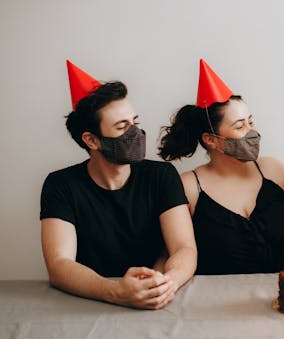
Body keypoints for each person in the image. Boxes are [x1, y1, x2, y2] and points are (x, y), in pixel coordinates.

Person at [40, 60, 197, 309]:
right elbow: (59, 265)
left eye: (135, 121)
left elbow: (184, 248)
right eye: (122, 126)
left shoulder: (162, 176)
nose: (135, 132)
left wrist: (167, 284)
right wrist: (115, 291)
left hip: (158, 300)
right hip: (89, 303)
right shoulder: (61, 185)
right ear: (92, 140)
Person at [158, 59, 284, 274]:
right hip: (218, 301)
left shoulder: (273, 170)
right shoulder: (189, 187)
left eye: (250, 122)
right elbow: (171, 251)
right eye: (240, 126)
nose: (251, 132)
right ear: (211, 140)